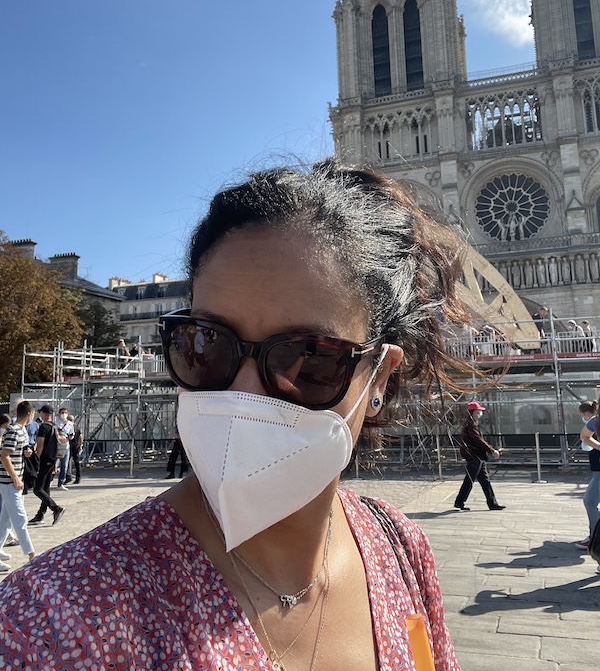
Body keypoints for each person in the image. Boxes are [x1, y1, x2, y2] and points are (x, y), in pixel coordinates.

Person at [0, 159, 471, 670]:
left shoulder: (401, 549)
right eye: (205, 343)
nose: (243, 394)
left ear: (379, 376)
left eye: (308, 357)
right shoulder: (49, 622)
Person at [0, 400, 37, 572]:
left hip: (13, 481)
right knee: (20, 518)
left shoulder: (20, 431)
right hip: (9, 482)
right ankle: (31, 554)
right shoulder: (14, 430)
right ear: (30, 414)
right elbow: (4, 455)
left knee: (5, 521)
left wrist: (25, 451)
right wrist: (15, 477)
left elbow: (13, 451)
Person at [454, 401, 505, 511]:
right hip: (474, 455)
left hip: (476, 456)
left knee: (483, 480)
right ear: (472, 413)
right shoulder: (471, 425)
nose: (480, 414)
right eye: (478, 412)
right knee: (470, 480)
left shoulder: (472, 423)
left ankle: (492, 503)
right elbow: (478, 440)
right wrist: (492, 451)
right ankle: (460, 502)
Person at [28, 404, 66, 527]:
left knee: (37, 489)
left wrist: (36, 460)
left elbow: (40, 445)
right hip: (53, 459)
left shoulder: (44, 427)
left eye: (41, 413)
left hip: (44, 460)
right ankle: (40, 514)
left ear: (44, 414)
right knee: (45, 488)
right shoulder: (55, 426)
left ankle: (56, 508)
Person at [578, 400, 600, 550]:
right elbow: (584, 437)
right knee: (590, 501)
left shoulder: (596, 421)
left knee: (590, 502)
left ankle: (595, 538)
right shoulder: (595, 421)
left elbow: (584, 437)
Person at [55, 406, 74, 490]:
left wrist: (69, 436)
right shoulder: (56, 423)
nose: (64, 414)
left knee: (64, 465)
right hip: (57, 446)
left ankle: (61, 483)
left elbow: (72, 434)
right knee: (54, 465)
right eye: (62, 413)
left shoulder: (70, 424)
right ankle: (49, 480)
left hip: (66, 446)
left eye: (65, 413)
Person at [65, 414, 83, 485]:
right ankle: (78, 478)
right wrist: (81, 445)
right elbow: (81, 436)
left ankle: (68, 476)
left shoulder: (68, 427)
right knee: (77, 462)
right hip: (76, 446)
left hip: (69, 446)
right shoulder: (77, 427)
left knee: (66, 462)